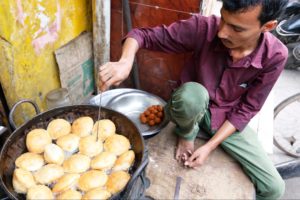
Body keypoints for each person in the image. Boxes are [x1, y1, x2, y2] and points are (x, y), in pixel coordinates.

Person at [99, 0, 289, 199]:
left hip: (227, 118)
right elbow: (141, 36)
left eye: (237, 28)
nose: (222, 32)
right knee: (192, 96)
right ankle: (186, 133)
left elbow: (248, 109)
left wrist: (209, 146)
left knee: (274, 188)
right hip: (189, 108)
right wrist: (125, 61)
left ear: (267, 27)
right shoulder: (205, 28)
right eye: (223, 19)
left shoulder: (275, 56)